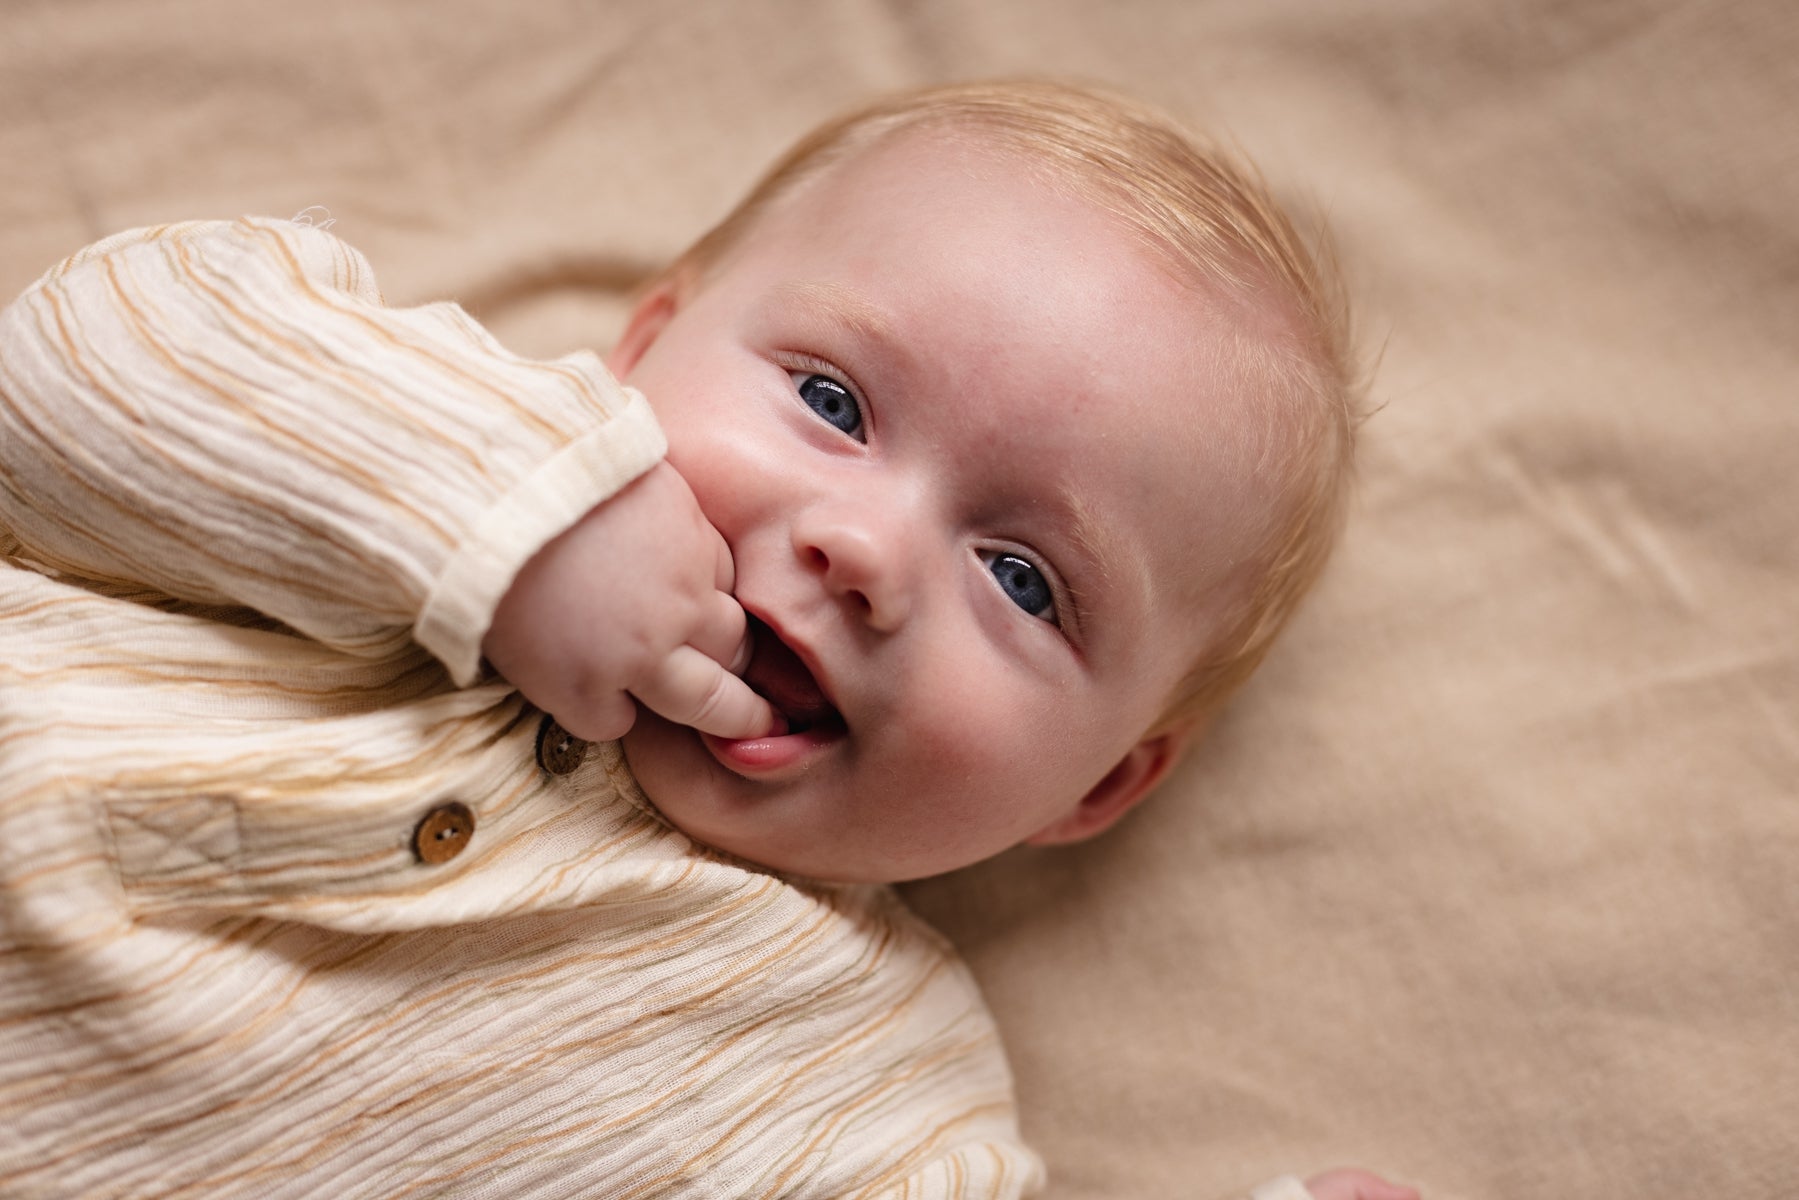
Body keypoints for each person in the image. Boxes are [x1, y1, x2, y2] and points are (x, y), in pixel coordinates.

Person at [0, 82, 1410, 1200]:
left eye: (1027, 582)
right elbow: (89, 352)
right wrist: (516, 515)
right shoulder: (389, 468)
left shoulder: (871, 1091)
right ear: (646, 346)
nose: (864, 554)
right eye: (834, 403)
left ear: (1096, 788)